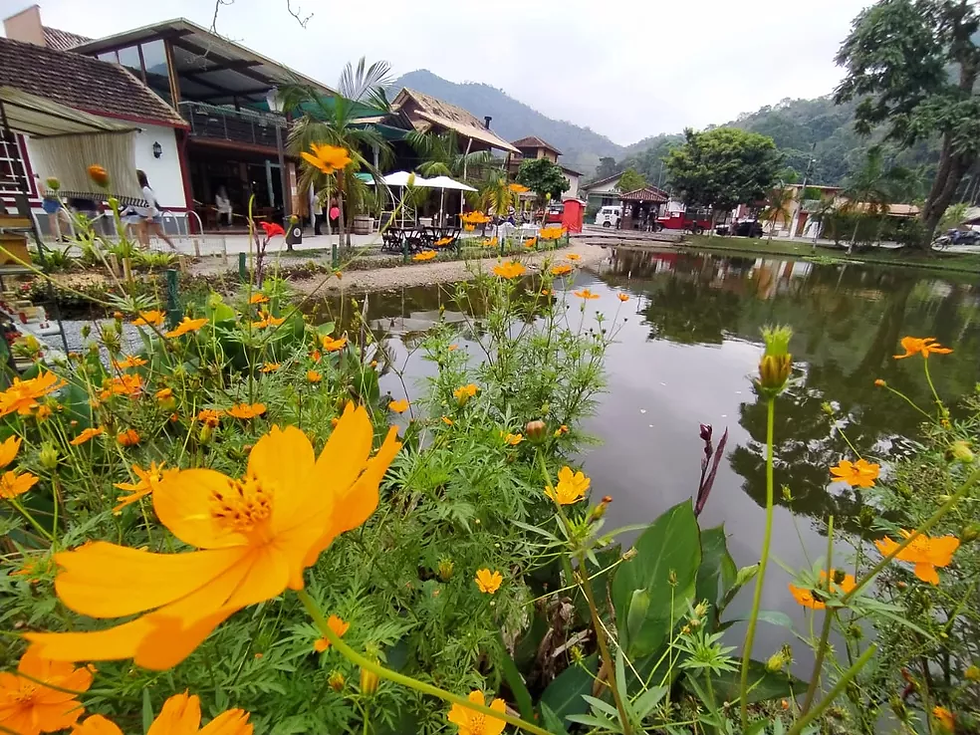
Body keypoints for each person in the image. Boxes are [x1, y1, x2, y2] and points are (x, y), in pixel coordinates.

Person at [135, 170, 176, 251]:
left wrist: (150, 216)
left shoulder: (145, 190)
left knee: (158, 232)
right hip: (142, 214)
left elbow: (151, 203)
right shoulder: (135, 189)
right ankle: (147, 248)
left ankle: (172, 246)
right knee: (143, 231)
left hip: (152, 214)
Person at [35, 175, 71, 242]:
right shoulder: (41, 182)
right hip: (49, 203)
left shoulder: (55, 180)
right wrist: (53, 196)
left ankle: (60, 235)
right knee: (53, 220)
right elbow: (43, 194)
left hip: (58, 203)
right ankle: (56, 237)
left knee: (65, 219)